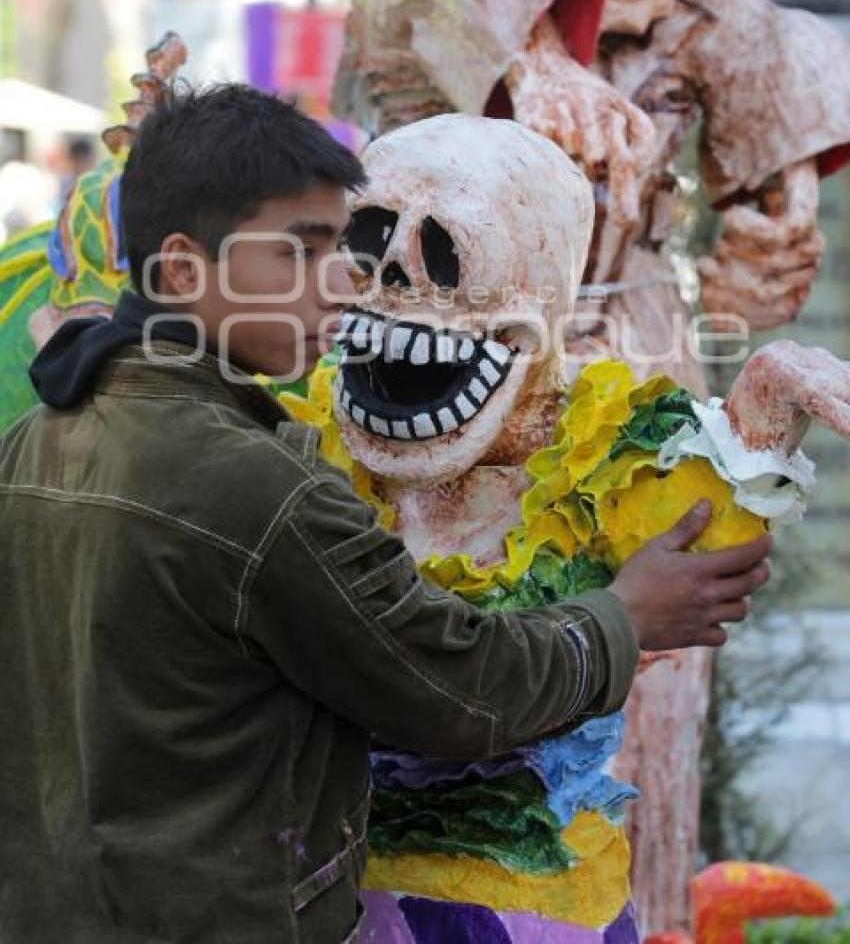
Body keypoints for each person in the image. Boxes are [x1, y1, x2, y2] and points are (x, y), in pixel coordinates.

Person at [0, 85, 771, 944]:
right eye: (302, 253)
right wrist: (622, 619)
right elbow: (457, 688)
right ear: (183, 270)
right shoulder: (259, 491)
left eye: (341, 246)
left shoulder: (33, 442)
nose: (346, 286)